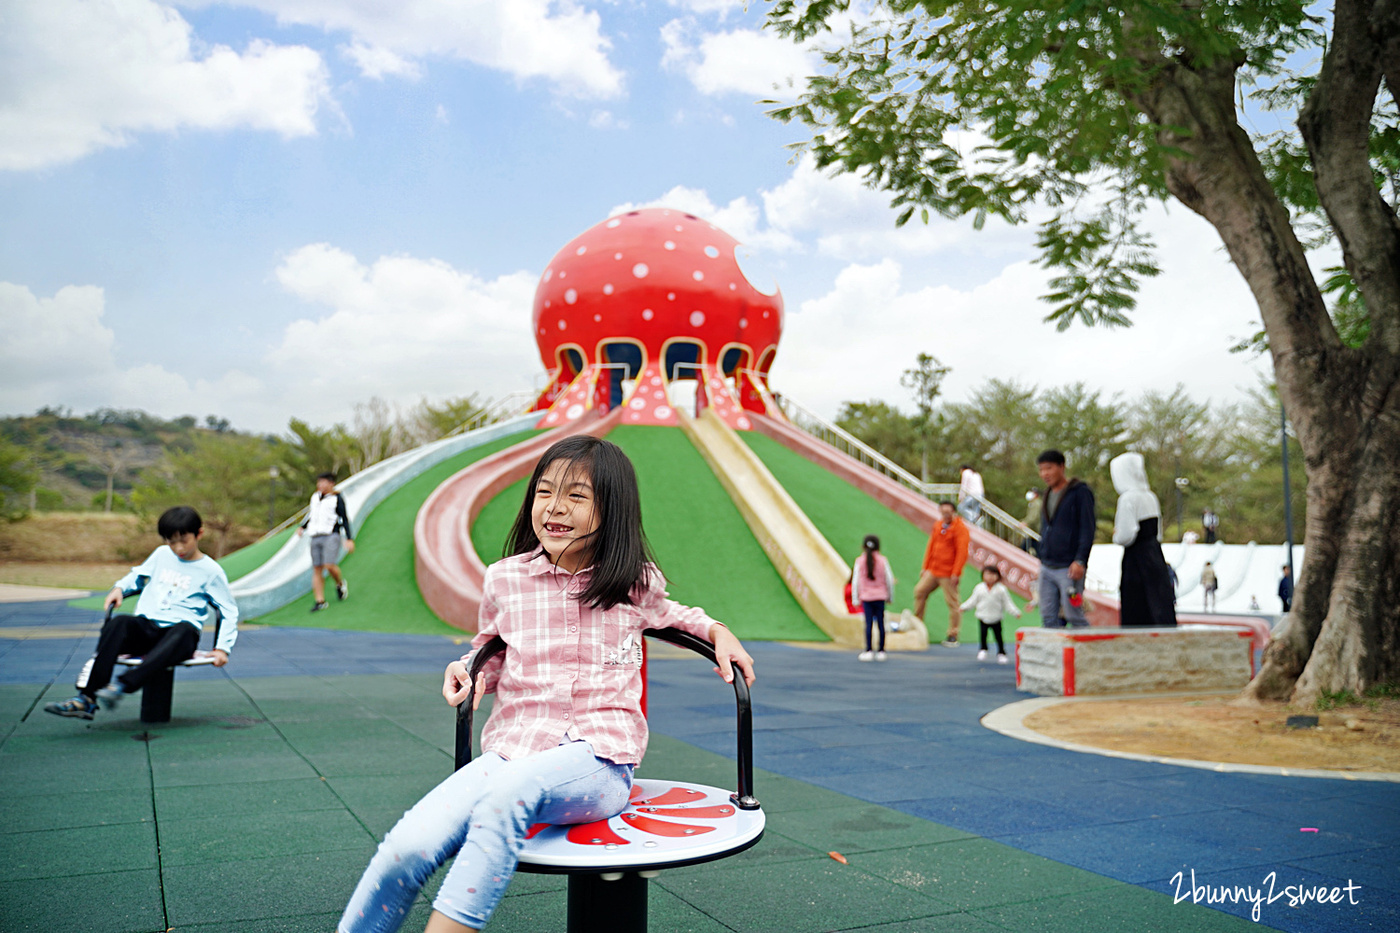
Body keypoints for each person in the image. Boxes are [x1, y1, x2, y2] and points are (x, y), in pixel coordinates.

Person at [337, 435, 755, 933]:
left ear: (612, 510)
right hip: (511, 751)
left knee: (509, 794)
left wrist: (718, 631)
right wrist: (467, 670)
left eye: (577, 497)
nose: (555, 509)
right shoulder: (504, 580)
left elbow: (676, 616)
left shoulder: (633, 583)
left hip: (599, 761)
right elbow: (490, 649)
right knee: (410, 844)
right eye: (545, 492)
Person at [45, 506, 238, 720]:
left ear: (199, 534)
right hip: (148, 629)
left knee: (184, 630)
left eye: (184, 540)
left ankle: (121, 685)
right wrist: (119, 588)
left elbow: (228, 610)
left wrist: (222, 649)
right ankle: (87, 699)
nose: (178, 548)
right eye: (171, 541)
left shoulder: (211, 571)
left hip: (179, 637)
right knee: (120, 623)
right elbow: (137, 576)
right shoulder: (162, 555)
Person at [1110, 452, 1177, 627]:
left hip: (1136, 558)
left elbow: (1126, 535)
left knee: (1136, 605)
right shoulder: (1150, 496)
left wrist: (1116, 535)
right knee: (1158, 601)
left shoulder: (1127, 498)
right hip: (1154, 553)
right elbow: (1158, 531)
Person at [1034, 449, 1095, 629]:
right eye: (1041, 470)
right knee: (1047, 615)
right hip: (1047, 565)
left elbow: (1087, 528)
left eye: (1049, 468)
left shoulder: (1079, 492)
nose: (1045, 474)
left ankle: (1085, 654)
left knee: (1073, 614)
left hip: (1069, 567)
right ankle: (1056, 656)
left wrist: (1080, 560)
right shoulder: (1047, 494)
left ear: (1061, 467)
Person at [910, 500, 970, 647]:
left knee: (952, 602)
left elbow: (962, 552)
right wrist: (926, 566)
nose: (945, 515)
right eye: (943, 512)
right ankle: (918, 625)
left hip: (948, 573)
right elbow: (931, 546)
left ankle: (953, 634)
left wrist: (956, 572)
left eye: (948, 512)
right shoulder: (938, 525)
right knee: (919, 592)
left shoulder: (960, 528)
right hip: (934, 570)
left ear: (954, 512)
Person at [297, 472, 355, 612]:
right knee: (317, 568)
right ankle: (320, 601)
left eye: (323, 482)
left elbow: (344, 518)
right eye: (319, 482)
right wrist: (302, 526)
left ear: (331, 484)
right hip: (315, 535)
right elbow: (311, 514)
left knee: (329, 565)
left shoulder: (336, 499)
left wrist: (349, 538)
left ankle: (340, 584)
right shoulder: (315, 497)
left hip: (331, 535)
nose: (320, 485)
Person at [961, 565, 1021, 664]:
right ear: (983, 576)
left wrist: (1015, 612)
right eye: (988, 574)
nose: (990, 577)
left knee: (998, 636)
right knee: (983, 634)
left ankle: (1001, 652)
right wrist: (964, 607)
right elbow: (972, 600)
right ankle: (983, 649)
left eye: (993, 575)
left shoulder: (1001, 589)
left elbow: (1008, 603)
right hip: (983, 616)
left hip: (996, 617)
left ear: (998, 576)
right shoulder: (979, 588)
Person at [851, 534, 896, 662]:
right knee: (881, 623)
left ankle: (868, 650)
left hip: (866, 597)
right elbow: (889, 580)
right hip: (880, 596)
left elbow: (856, 581)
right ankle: (881, 650)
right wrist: (890, 597)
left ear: (863, 547)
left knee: (869, 623)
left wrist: (855, 598)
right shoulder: (883, 560)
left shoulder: (860, 561)